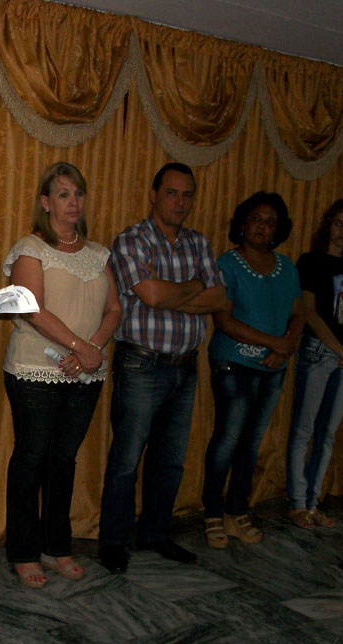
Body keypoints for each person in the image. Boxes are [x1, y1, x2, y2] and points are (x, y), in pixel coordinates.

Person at [98, 162, 227, 574]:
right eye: (172, 193)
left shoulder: (199, 242)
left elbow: (220, 299)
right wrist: (192, 289)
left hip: (186, 366)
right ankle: (114, 542)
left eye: (187, 194)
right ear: (154, 195)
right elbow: (150, 295)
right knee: (126, 460)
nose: (180, 202)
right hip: (141, 364)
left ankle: (155, 533)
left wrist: (172, 294)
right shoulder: (131, 240)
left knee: (170, 461)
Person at [1, 162, 121, 588]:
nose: (74, 202)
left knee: (63, 461)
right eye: (64, 195)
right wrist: (79, 346)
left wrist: (94, 350)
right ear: (46, 203)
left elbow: (114, 310)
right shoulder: (31, 249)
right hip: (35, 369)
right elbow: (30, 307)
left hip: (86, 373)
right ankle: (22, 551)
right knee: (30, 460)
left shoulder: (99, 254)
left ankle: (56, 545)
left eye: (78, 194)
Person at [202, 192, 304, 547]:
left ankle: (237, 510)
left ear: (279, 229)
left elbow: (298, 311)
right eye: (256, 219)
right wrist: (273, 342)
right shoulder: (226, 264)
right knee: (228, 439)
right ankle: (213, 513)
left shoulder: (286, 267)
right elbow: (224, 321)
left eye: (270, 222)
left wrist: (287, 343)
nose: (263, 226)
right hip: (233, 363)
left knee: (252, 442)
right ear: (243, 223)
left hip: (273, 367)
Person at [285, 199, 343, 528]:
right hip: (320, 351)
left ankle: (314, 502)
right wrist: (339, 351)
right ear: (327, 225)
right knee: (304, 430)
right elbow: (309, 312)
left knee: (328, 433)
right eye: (338, 223)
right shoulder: (310, 261)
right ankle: (296, 502)